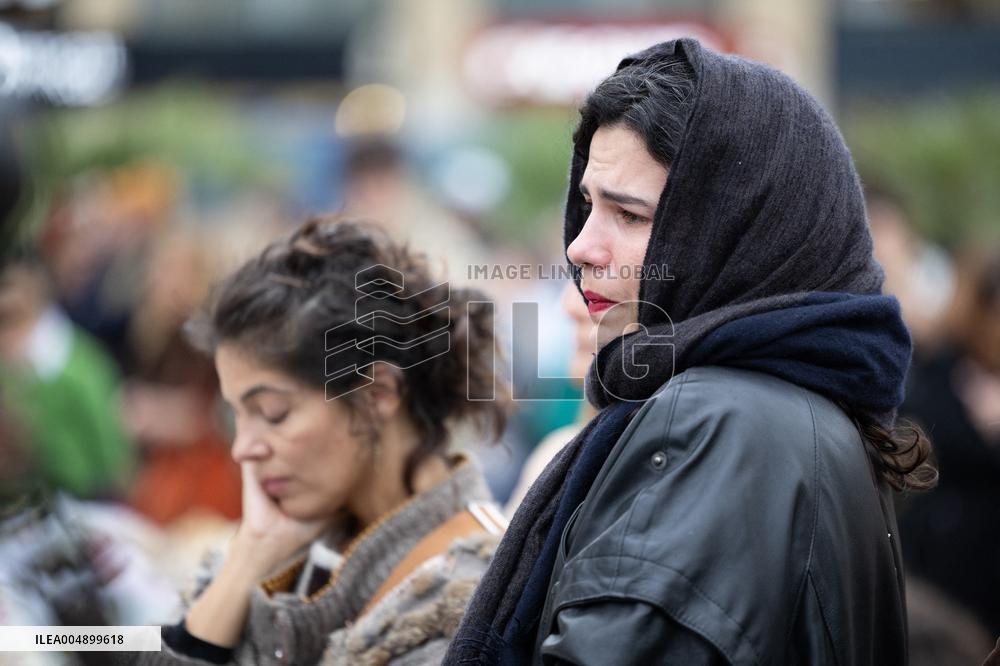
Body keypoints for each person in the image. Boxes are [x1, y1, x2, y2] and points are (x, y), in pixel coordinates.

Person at [446, 38, 936, 665]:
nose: (580, 248)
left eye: (629, 215)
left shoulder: (714, 423)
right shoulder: (777, 408)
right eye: (589, 205)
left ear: (741, 234)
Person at [135, 216, 511, 665]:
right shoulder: (279, 544)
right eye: (236, 415)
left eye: (274, 414)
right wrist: (246, 563)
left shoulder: (473, 593)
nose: (243, 448)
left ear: (377, 394)